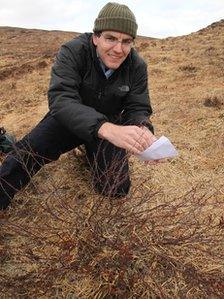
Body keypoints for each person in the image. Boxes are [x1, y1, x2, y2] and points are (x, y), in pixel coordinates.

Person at [0, 2, 158, 210]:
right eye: (111, 38)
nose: (118, 49)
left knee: (115, 188)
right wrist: (105, 128)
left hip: (110, 128)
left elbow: (137, 106)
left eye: (126, 41)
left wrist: (142, 129)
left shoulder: (137, 65)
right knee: (24, 157)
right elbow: (61, 99)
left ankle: (90, 153)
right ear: (95, 37)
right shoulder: (73, 51)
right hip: (67, 120)